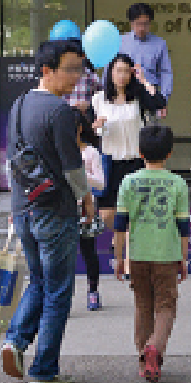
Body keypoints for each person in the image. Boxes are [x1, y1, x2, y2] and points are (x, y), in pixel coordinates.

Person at [1, 39, 95, 383]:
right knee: (58, 290)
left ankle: (15, 341)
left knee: (40, 281)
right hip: (55, 211)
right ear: (47, 70)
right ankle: (44, 369)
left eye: (79, 69)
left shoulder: (19, 105)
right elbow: (72, 169)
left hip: (23, 209)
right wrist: (86, 198)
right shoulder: (60, 112)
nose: (77, 76)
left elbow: (12, 161)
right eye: (70, 69)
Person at [114, 124, 189, 383]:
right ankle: (155, 346)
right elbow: (183, 226)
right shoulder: (178, 183)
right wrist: (183, 258)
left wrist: (119, 257)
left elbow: (120, 224)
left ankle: (144, 358)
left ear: (139, 152)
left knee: (142, 305)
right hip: (167, 255)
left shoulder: (128, 182)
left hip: (137, 254)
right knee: (166, 306)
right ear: (170, 153)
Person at [91, 53, 166, 274]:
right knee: (106, 213)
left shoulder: (138, 96)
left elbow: (159, 103)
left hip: (134, 162)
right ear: (110, 73)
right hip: (109, 162)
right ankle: (118, 237)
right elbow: (93, 130)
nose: (122, 75)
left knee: (134, 215)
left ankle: (129, 264)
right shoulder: (99, 98)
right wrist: (96, 125)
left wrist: (143, 81)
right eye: (118, 70)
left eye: (126, 71)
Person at [118, 2, 173, 119]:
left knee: (150, 133)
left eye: (146, 24)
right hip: (125, 95)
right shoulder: (120, 42)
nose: (142, 28)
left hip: (150, 94)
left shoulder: (160, 44)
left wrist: (163, 100)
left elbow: (165, 72)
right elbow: (110, 69)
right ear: (131, 23)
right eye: (138, 24)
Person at [75, 107, 105, 311]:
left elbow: (101, 184)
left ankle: (93, 291)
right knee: (62, 255)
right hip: (63, 208)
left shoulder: (91, 153)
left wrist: (81, 176)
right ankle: (61, 296)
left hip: (86, 208)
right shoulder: (59, 152)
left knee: (88, 252)